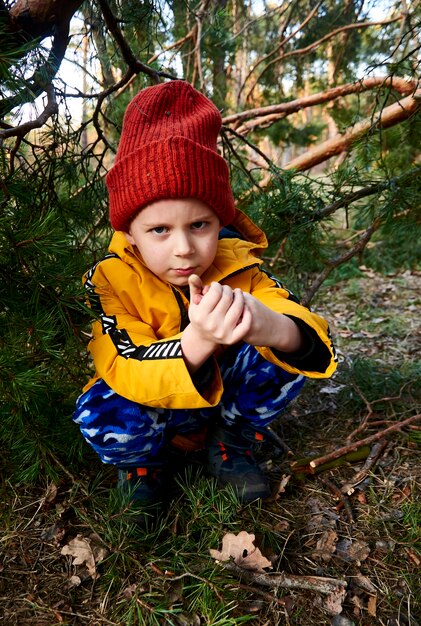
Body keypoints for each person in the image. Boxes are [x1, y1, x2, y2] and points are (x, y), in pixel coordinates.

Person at [73, 80, 337, 507]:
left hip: (221, 403)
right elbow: (122, 362)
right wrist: (197, 342)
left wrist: (272, 326)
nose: (184, 248)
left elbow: (308, 333)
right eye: (159, 229)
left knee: (287, 351)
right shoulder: (110, 280)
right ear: (130, 233)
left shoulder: (238, 266)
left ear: (219, 221)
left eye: (200, 225)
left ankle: (231, 442)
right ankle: (143, 466)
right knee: (100, 403)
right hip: (154, 403)